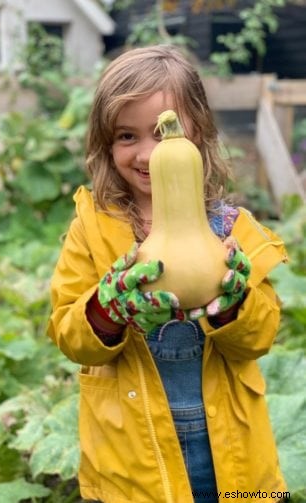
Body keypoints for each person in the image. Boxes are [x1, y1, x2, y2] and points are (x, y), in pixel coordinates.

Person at [47, 45, 289, 503]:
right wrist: (108, 307)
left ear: (198, 135)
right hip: (131, 455)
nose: (146, 153)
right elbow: (69, 335)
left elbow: (260, 338)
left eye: (162, 132)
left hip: (230, 454)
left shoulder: (234, 231)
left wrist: (233, 305)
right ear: (105, 144)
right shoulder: (92, 229)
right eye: (125, 136)